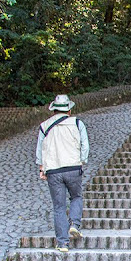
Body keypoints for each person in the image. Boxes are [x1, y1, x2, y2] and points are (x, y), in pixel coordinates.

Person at [36, 94, 89, 252]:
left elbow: (40, 150)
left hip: (53, 170)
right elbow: (84, 145)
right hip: (73, 168)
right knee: (76, 196)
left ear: (53, 110)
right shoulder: (77, 123)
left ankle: (62, 243)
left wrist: (41, 168)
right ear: (69, 110)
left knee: (58, 207)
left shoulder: (44, 126)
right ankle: (74, 224)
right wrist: (81, 161)